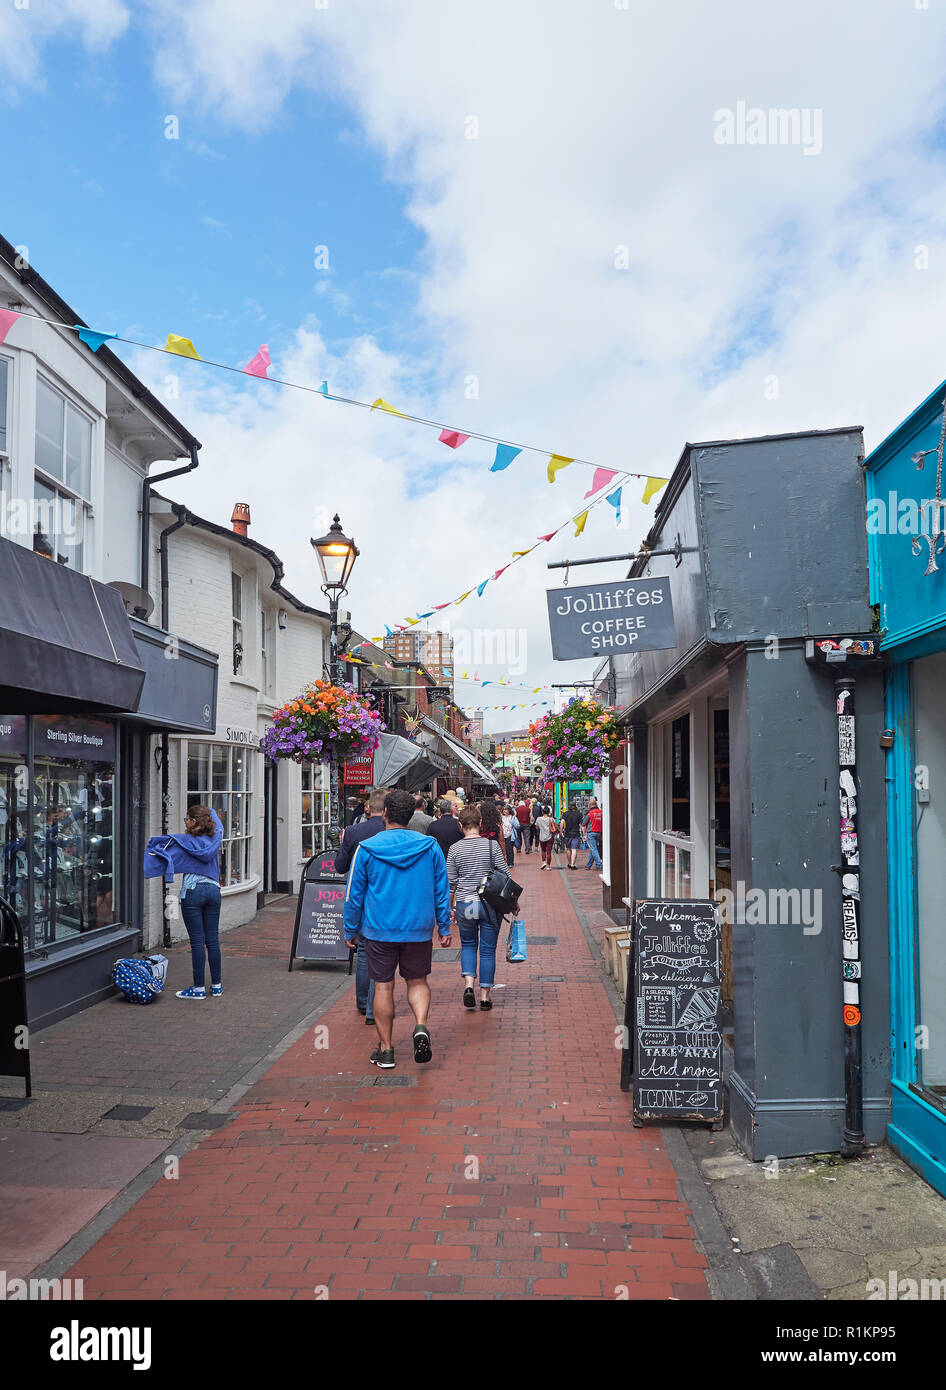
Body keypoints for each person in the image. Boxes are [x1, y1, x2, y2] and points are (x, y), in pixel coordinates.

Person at [343, 788, 452, 1070]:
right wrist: (443, 925)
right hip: (418, 926)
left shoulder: (366, 849)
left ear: (386, 814)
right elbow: (442, 889)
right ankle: (420, 1025)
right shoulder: (430, 847)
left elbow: (354, 894)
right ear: (412, 813)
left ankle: (387, 1049)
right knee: (417, 982)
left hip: (379, 928)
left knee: (383, 986)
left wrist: (349, 929)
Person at [143, 804, 224, 1000]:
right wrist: (207, 812)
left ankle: (198, 989)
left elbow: (157, 846)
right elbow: (215, 818)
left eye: (187, 818)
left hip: (193, 891)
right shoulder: (215, 838)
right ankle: (217, 987)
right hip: (214, 890)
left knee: (197, 942)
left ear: (194, 821)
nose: (185, 822)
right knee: (212, 941)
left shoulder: (184, 840)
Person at [446, 805, 507, 1011]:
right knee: (488, 951)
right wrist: (512, 903)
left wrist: (451, 907)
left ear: (460, 825)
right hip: (488, 904)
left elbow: (451, 882)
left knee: (469, 945)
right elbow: (504, 875)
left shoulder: (454, 849)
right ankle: (485, 996)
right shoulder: (492, 846)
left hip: (465, 903)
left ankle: (469, 985)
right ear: (480, 824)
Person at [335, 786, 387, 1025]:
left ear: (369, 807)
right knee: (384, 953)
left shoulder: (354, 831)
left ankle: (364, 1002)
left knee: (365, 952)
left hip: (361, 898)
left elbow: (340, 867)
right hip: (386, 899)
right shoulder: (392, 831)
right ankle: (378, 1004)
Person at [479, 798, 506, 863]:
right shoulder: (497, 824)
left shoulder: (479, 824)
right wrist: (504, 855)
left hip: (481, 851)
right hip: (494, 851)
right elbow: (502, 842)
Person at [535, 805, 558, 869]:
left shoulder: (538, 819)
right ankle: (548, 866)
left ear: (542, 812)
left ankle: (543, 862)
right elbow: (554, 827)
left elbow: (537, 827)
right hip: (550, 837)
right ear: (548, 812)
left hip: (542, 837)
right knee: (549, 851)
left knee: (543, 850)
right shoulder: (551, 819)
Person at [562, 801, 584, 869]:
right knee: (574, 849)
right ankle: (572, 864)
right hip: (576, 833)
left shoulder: (565, 814)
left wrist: (561, 831)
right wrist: (584, 834)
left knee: (568, 849)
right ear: (575, 806)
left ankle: (569, 863)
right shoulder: (579, 814)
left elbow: (562, 822)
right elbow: (582, 825)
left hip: (567, 834)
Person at [583, 798, 603, 871]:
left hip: (591, 832)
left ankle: (599, 864)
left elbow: (583, 824)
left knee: (593, 849)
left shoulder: (590, 813)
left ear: (590, 805)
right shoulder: (601, 812)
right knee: (593, 849)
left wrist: (584, 834)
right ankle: (588, 865)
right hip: (599, 832)